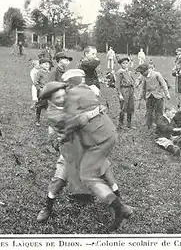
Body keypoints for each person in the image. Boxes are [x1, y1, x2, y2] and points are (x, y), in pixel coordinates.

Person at [62, 69, 133, 231]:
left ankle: (119, 209)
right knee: (102, 167)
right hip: (106, 133)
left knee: (87, 175)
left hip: (98, 139)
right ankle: (123, 205)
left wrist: (62, 135)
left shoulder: (72, 94)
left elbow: (76, 121)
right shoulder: (88, 90)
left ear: (69, 84)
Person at [35, 81, 92, 223]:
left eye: (63, 95)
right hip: (69, 149)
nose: (63, 99)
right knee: (60, 178)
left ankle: (115, 203)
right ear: (50, 101)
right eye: (58, 98)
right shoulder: (53, 113)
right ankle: (47, 206)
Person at [136, 63, 171, 130]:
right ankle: (149, 126)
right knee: (149, 111)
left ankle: (160, 127)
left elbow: (164, 84)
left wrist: (167, 94)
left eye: (142, 72)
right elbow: (143, 88)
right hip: (149, 96)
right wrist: (139, 98)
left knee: (159, 112)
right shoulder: (143, 77)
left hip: (158, 96)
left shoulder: (157, 74)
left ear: (147, 70)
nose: (141, 74)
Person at [116, 56, 136, 129]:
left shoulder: (128, 72)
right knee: (123, 107)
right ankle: (120, 124)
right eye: (123, 63)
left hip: (130, 90)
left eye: (127, 63)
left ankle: (129, 124)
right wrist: (120, 94)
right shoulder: (120, 72)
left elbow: (132, 81)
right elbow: (117, 84)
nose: (125, 65)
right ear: (121, 64)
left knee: (130, 107)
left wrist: (133, 93)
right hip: (124, 90)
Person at [34, 58, 52, 126]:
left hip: (48, 92)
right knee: (40, 105)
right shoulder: (39, 72)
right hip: (41, 91)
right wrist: (39, 88)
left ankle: (50, 120)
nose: (47, 65)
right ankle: (37, 118)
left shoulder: (49, 73)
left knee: (48, 105)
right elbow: (36, 82)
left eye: (48, 64)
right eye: (45, 64)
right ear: (41, 65)